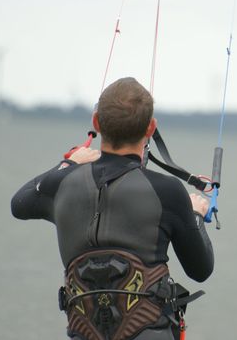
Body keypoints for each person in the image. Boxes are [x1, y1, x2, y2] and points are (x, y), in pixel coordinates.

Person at [11, 77, 214, 340]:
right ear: (150, 128)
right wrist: (195, 214)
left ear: (96, 122)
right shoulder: (168, 191)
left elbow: (19, 203)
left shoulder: (62, 184)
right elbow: (200, 270)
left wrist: (68, 164)